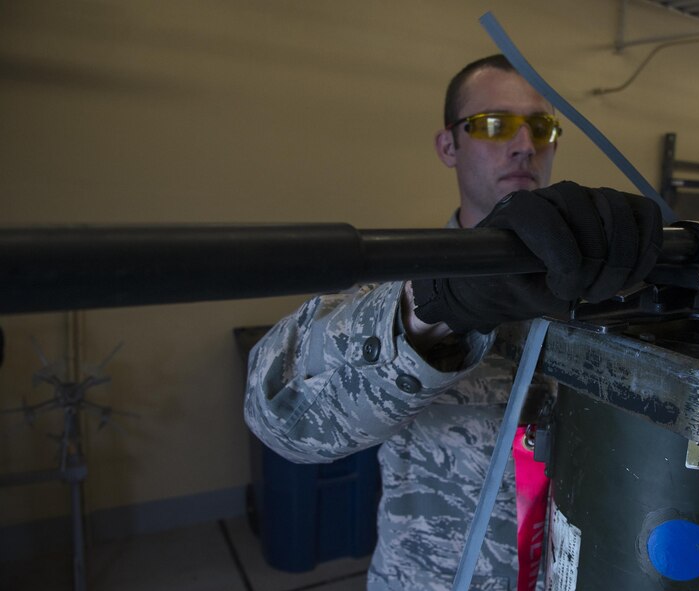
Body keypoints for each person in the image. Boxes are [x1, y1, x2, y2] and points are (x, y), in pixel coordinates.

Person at [244, 54, 662, 590]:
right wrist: (437, 305)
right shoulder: (397, 288)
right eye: (494, 124)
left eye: (542, 127)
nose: (525, 145)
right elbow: (279, 416)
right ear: (449, 147)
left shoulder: (608, 298)